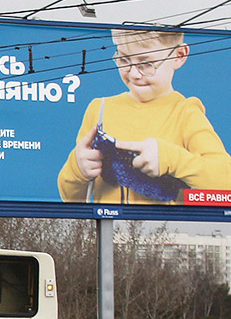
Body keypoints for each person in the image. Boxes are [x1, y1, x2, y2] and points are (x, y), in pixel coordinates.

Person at [58, 28, 231, 203]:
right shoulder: (100, 109)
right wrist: (77, 169)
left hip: (163, 229)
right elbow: (71, 199)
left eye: (146, 64)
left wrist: (171, 159)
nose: (133, 74)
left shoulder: (185, 112)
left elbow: (226, 183)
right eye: (124, 59)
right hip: (106, 228)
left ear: (179, 55)